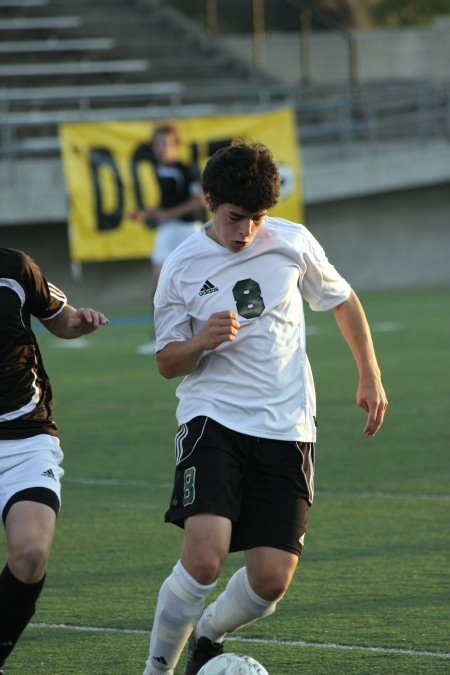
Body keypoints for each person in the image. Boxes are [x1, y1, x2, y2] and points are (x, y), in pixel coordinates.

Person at [142, 141, 388, 675]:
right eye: (235, 217)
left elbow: (342, 299)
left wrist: (368, 374)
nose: (246, 230)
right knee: (205, 556)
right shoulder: (181, 266)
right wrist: (200, 341)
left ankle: (209, 634)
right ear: (208, 201)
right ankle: (156, 671)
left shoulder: (293, 243)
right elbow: (166, 362)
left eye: (256, 218)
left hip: (287, 424)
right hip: (213, 418)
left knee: (272, 579)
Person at [0, 247, 108, 673]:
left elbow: (57, 315)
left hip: (25, 435)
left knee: (29, 554)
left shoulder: (13, 267)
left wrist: (78, 322)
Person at [128, 122, 204, 355]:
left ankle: (201, 330)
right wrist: (147, 213)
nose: (162, 148)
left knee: (199, 282)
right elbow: (165, 204)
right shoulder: (159, 170)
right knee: (159, 283)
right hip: (167, 230)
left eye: (166, 143)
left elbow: (199, 200)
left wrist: (167, 214)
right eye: (158, 143)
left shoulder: (187, 168)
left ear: (175, 145)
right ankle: (161, 337)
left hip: (188, 229)